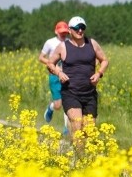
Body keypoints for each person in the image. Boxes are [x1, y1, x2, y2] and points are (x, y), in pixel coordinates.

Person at [45, 16, 109, 144]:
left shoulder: (92, 43)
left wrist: (99, 73)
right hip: (70, 92)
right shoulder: (63, 47)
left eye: (82, 28)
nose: (80, 31)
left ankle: (84, 157)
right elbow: (50, 63)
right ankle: (80, 161)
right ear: (70, 30)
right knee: (77, 125)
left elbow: (104, 60)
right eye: (77, 28)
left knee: (89, 131)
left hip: (89, 93)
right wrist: (59, 72)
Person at [39, 21, 70, 133]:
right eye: (61, 32)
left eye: (65, 32)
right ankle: (51, 108)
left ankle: (66, 128)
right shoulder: (50, 42)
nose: (63, 34)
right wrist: (52, 63)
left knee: (68, 102)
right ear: (56, 31)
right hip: (54, 76)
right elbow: (41, 57)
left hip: (67, 76)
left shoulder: (70, 42)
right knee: (58, 105)